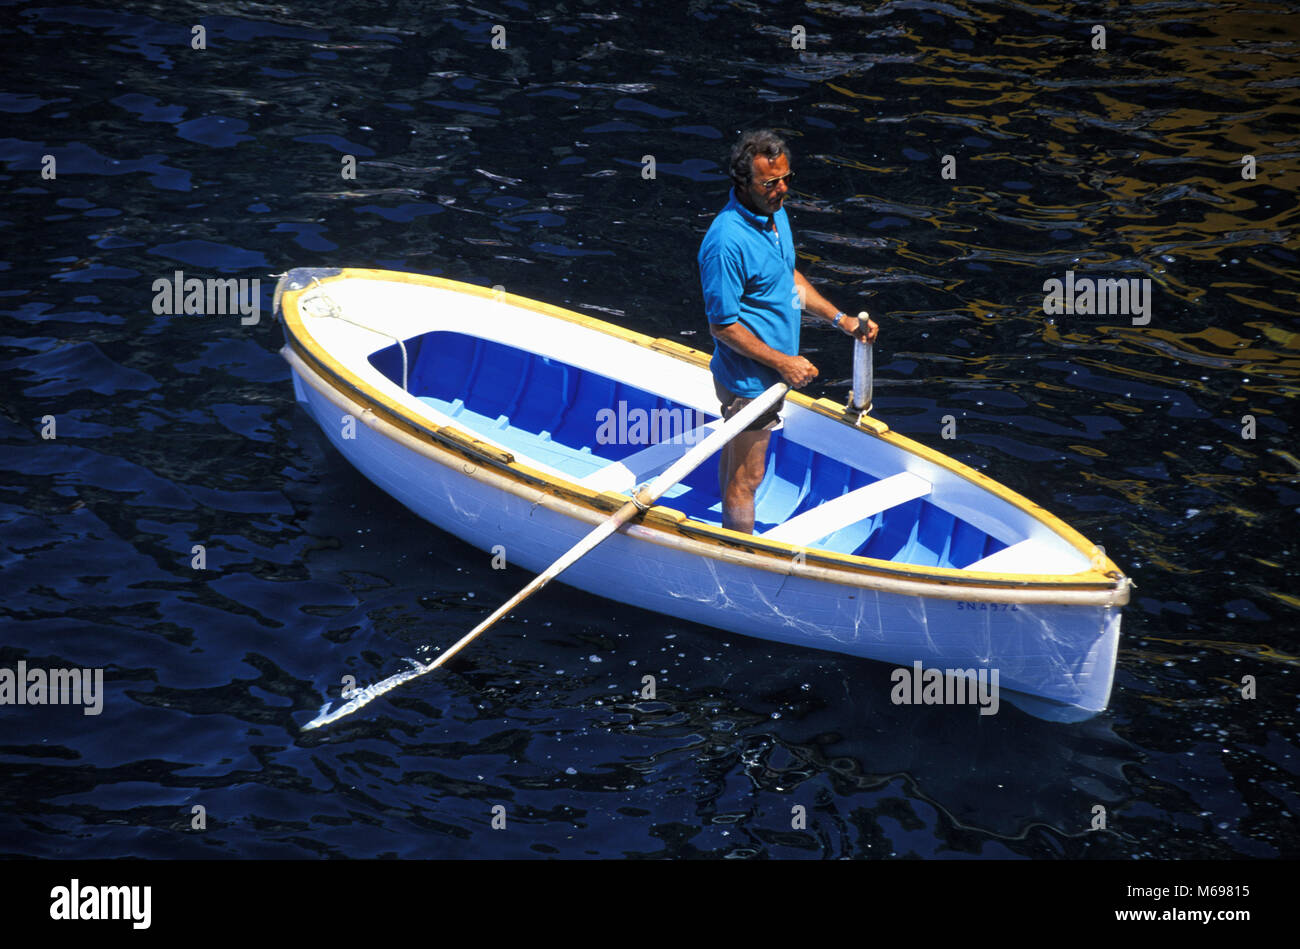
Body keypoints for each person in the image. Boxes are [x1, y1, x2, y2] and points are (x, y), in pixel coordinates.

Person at [698, 129, 879, 534]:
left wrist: (841, 320)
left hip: (769, 377)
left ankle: (729, 540)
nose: (781, 190)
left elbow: (787, 280)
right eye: (769, 182)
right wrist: (785, 363)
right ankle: (740, 556)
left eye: (786, 179)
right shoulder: (726, 242)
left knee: (738, 470)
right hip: (750, 383)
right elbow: (722, 325)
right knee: (748, 480)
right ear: (742, 183)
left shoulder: (773, 215)